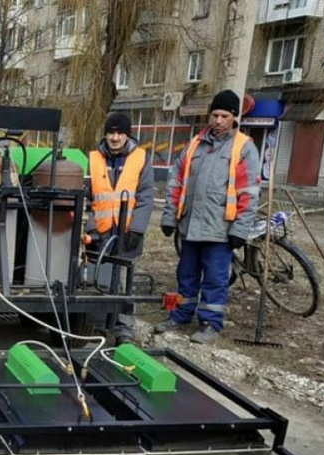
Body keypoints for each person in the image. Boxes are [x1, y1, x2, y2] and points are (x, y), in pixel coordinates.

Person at [156, 89, 261, 343]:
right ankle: (180, 315)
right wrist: (170, 216)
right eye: (214, 114)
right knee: (186, 274)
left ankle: (210, 324)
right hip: (190, 225)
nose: (218, 120)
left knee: (215, 278)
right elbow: (176, 182)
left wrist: (239, 230)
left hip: (220, 229)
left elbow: (249, 192)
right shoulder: (194, 144)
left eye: (224, 115)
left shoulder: (244, 148)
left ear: (234, 117)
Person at [87, 112, 155, 345]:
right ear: (105, 134)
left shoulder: (140, 159)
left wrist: (136, 230)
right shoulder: (93, 159)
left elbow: (146, 197)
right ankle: (97, 326)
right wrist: (91, 228)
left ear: (127, 135)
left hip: (127, 233)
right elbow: (86, 200)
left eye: (120, 133)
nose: (115, 138)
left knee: (125, 281)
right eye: (111, 132)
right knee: (98, 279)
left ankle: (123, 328)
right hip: (101, 232)